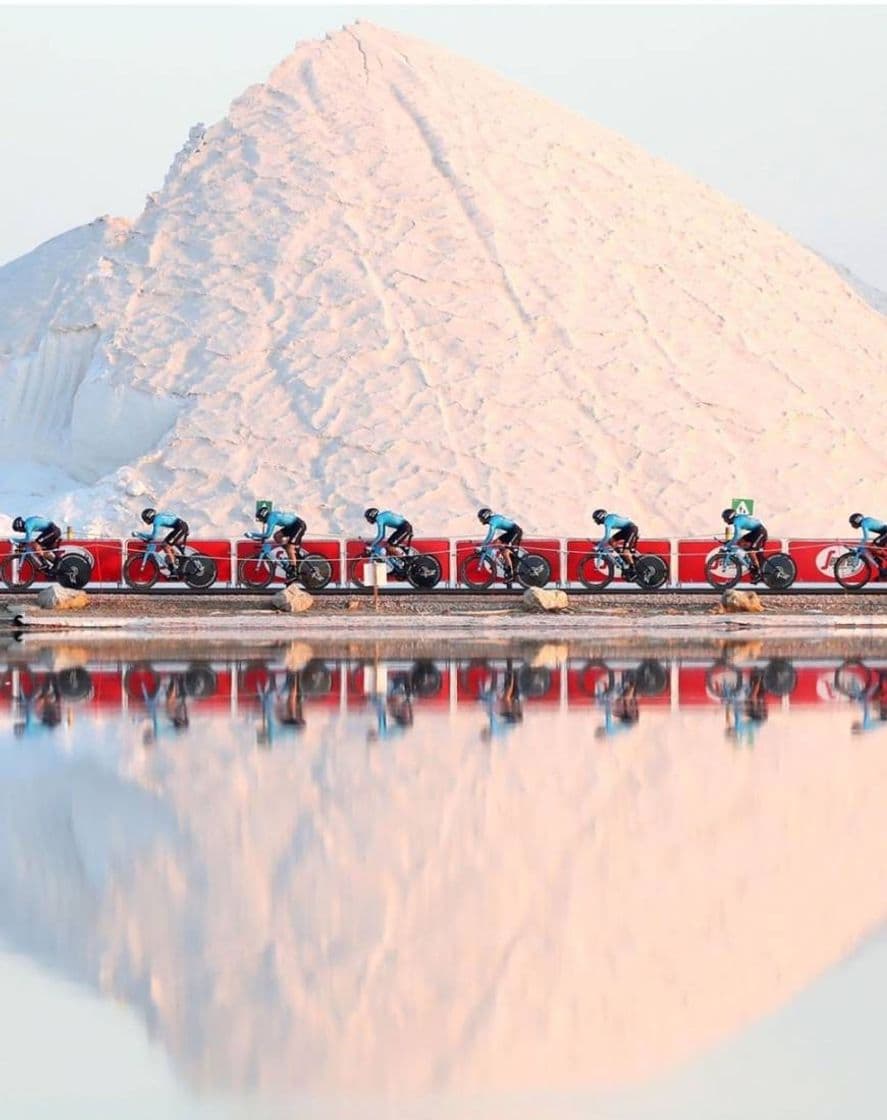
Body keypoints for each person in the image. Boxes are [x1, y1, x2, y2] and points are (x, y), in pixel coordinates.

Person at [477, 507, 523, 582]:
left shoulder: (493, 521)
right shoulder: (492, 520)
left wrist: (484, 544)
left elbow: (490, 535)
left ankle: (511, 573)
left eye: (481, 518)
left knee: (505, 552)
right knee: (495, 543)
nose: (480, 520)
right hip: (511, 532)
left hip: (516, 532)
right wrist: (486, 543)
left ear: (485, 516)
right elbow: (491, 538)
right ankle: (506, 562)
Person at [721, 508, 767, 582]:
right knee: (740, 542)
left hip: (760, 531)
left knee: (751, 551)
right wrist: (731, 542)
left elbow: (737, 535)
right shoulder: (737, 520)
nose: (724, 521)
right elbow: (737, 538)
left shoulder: (737, 521)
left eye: (725, 519)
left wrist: (728, 545)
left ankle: (758, 573)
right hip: (756, 531)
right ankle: (750, 562)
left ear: (729, 517)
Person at [138, 508, 189, 573]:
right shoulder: (158, 517)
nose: (146, 521)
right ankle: (177, 557)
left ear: (149, 517)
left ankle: (174, 567)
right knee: (164, 544)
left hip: (181, 527)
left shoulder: (157, 520)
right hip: (179, 527)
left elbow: (154, 536)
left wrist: (140, 534)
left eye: (145, 519)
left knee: (166, 546)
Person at [256, 505, 307, 570]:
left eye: (260, 518)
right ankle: (291, 553)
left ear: (263, 515)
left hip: (299, 525)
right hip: (291, 526)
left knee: (290, 547)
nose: (261, 520)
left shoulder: (271, 518)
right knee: (277, 536)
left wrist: (253, 535)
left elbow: (268, 535)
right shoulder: (271, 516)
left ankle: (294, 569)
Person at [592, 508, 639, 576]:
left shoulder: (607, 521)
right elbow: (608, 538)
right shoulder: (609, 518)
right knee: (611, 541)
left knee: (626, 551)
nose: (595, 521)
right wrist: (601, 542)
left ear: (600, 516)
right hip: (626, 530)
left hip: (631, 529)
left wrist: (599, 545)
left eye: (595, 519)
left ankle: (634, 570)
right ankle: (622, 556)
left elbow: (607, 536)